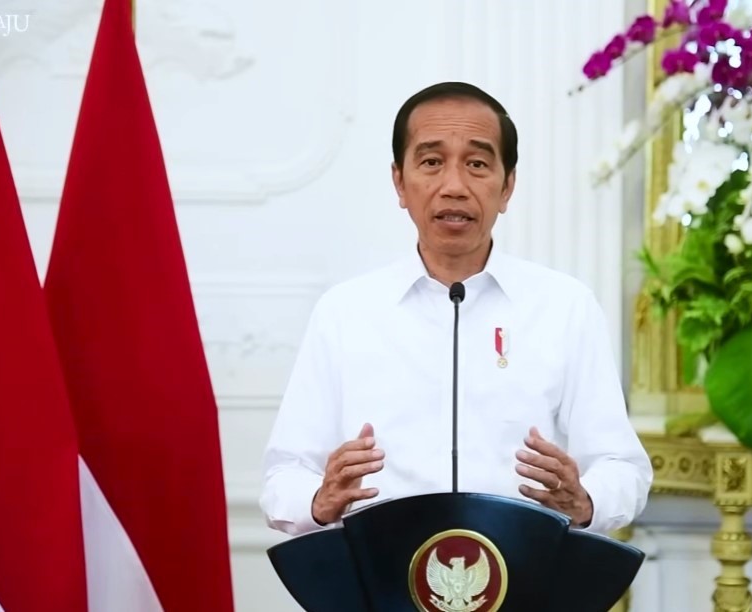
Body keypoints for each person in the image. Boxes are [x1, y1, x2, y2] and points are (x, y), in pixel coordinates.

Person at [260, 81, 652, 537]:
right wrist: (319, 499)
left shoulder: (565, 307)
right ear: (399, 182)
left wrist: (584, 501)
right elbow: (283, 477)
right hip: (381, 569)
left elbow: (623, 468)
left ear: (507, 187)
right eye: (431, 162)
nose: (454, 187)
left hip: (521, 567)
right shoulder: (345, 312)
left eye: (477, 164)